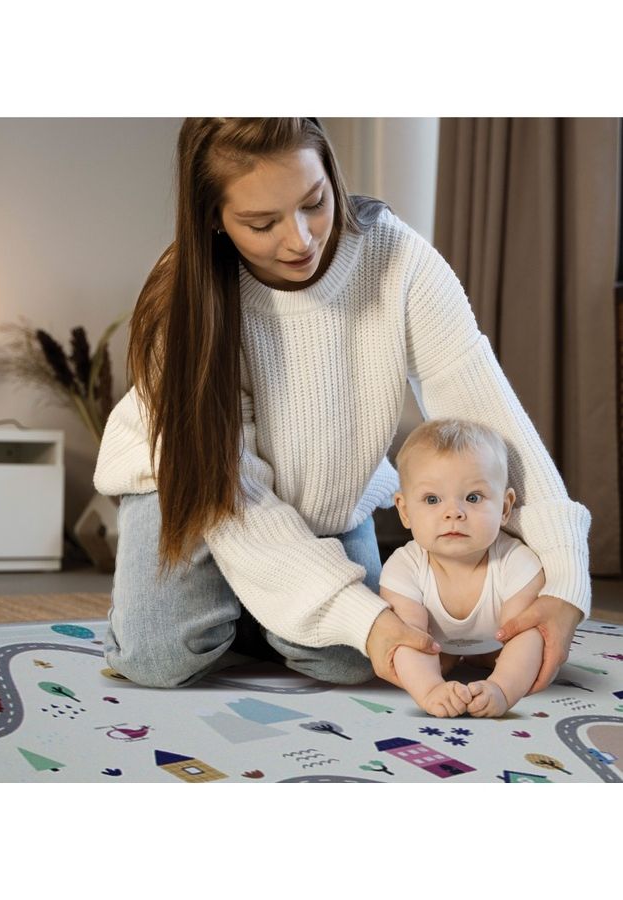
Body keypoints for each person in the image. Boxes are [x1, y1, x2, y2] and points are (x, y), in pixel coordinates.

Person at [93, 117, 591, 691]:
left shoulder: (397, 259)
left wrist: (565, 582)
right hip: (195, 488)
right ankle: (240, 597)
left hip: (326, 494)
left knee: (351, 663)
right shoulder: (179, 300)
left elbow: (490, 423)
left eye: (314, 203)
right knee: (161, 659)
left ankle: (259, 601)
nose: (300, 240)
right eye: (261, 223)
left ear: (331, 173)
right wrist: (359, 617)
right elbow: (235, 493)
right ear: (214, 218)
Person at [380, 418, 546, 718]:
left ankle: (499, 681)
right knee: (407, 641)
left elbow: (520, 634)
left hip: (498, 646)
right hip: (436, 648)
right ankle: (434, 683)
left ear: (505, 508)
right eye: (432, 499)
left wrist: (501, 687)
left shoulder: (517, 563)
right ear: (405, 511)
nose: (453, 513)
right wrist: (430, 689)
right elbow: (410, 636)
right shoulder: (403, 569)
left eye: (473, 498)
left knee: (532, 637)